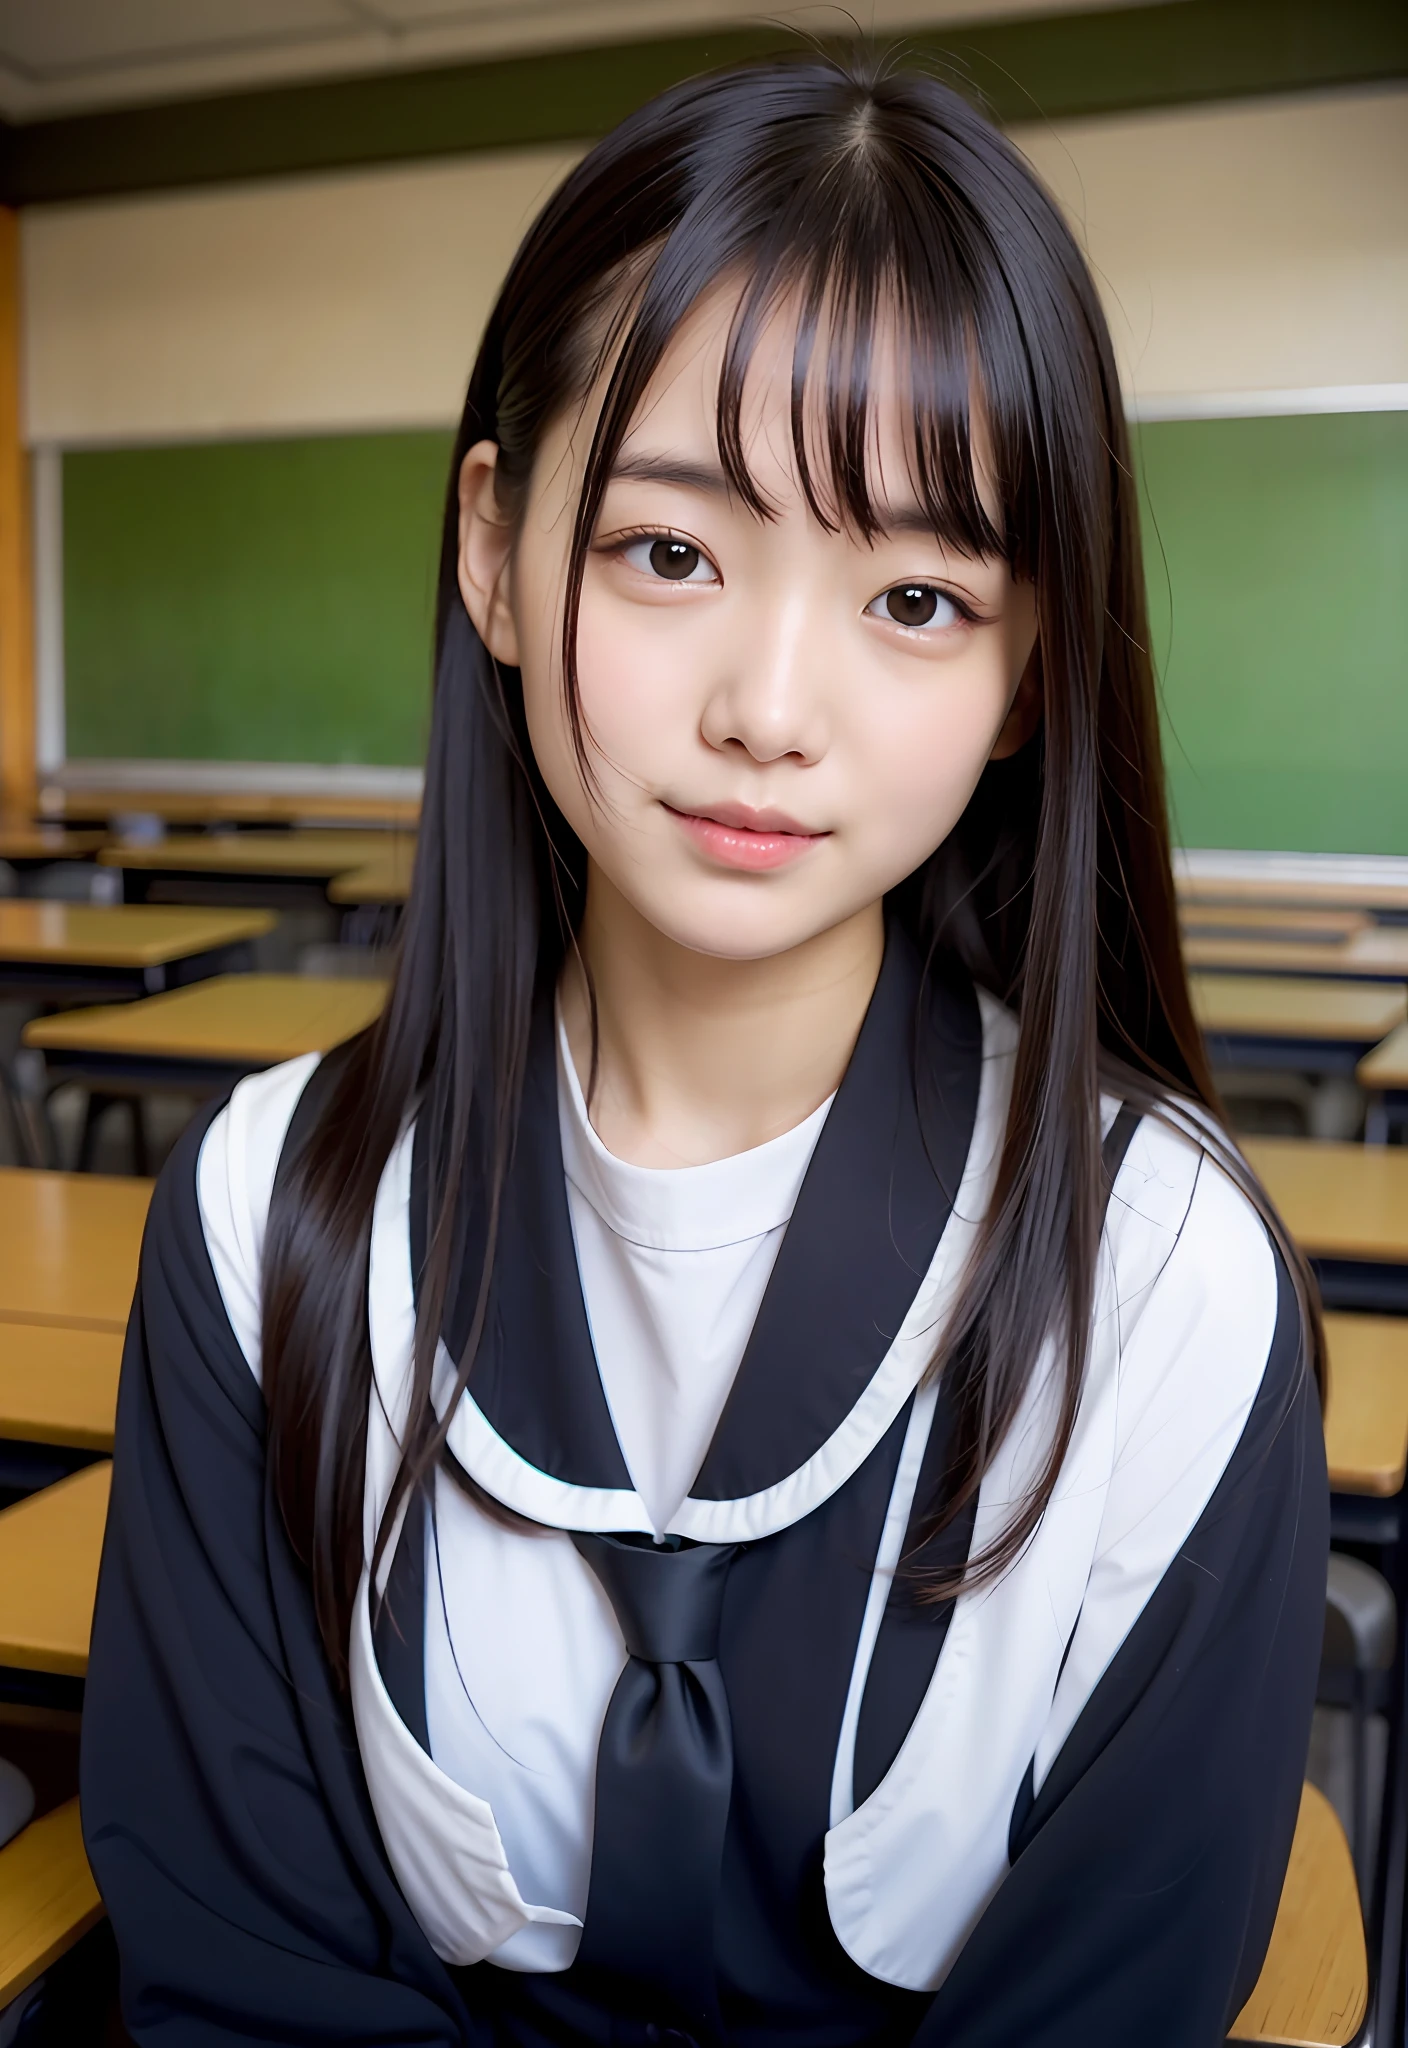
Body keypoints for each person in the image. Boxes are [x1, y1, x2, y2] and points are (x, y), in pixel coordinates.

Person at [82, 51, 1328, 2048]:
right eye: (668, 552)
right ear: (494, 549)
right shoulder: (264, 1221)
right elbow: (246, 1984)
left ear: (1025, 675)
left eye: (915, 595)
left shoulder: (1163, 1284)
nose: (769, 706)